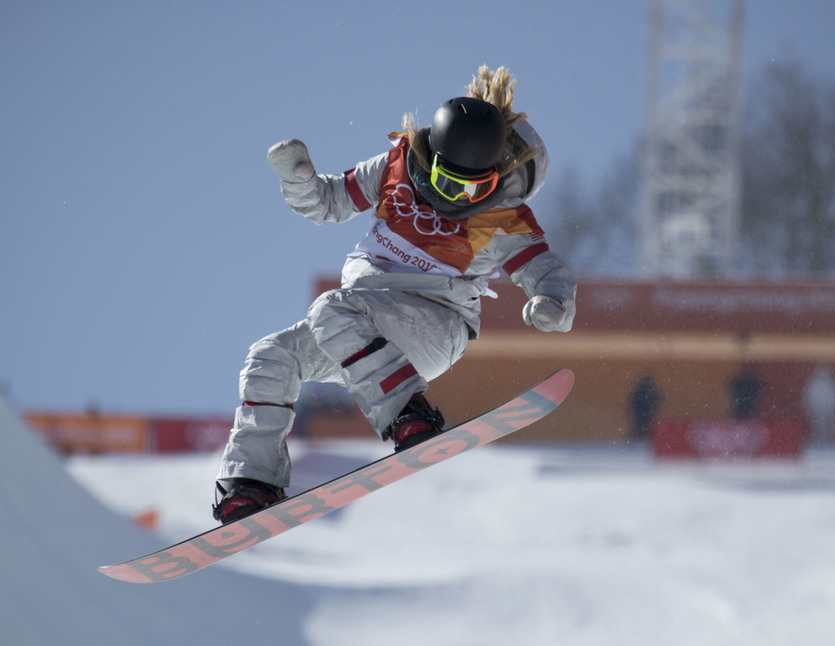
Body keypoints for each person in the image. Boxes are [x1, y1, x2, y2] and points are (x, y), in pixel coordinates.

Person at [212, 66, 577, 524]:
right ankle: (251, 481)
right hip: (362, 326)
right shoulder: (396, 167)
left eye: (476, 188)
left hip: (434, 324)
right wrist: (301, 181)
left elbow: (546, 270)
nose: (461, 198)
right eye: (449, 184)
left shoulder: (504, 215)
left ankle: (408, 412)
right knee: (271, 357)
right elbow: (329, 201)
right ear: (432, 163)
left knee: (331, 309)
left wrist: (553, 303)